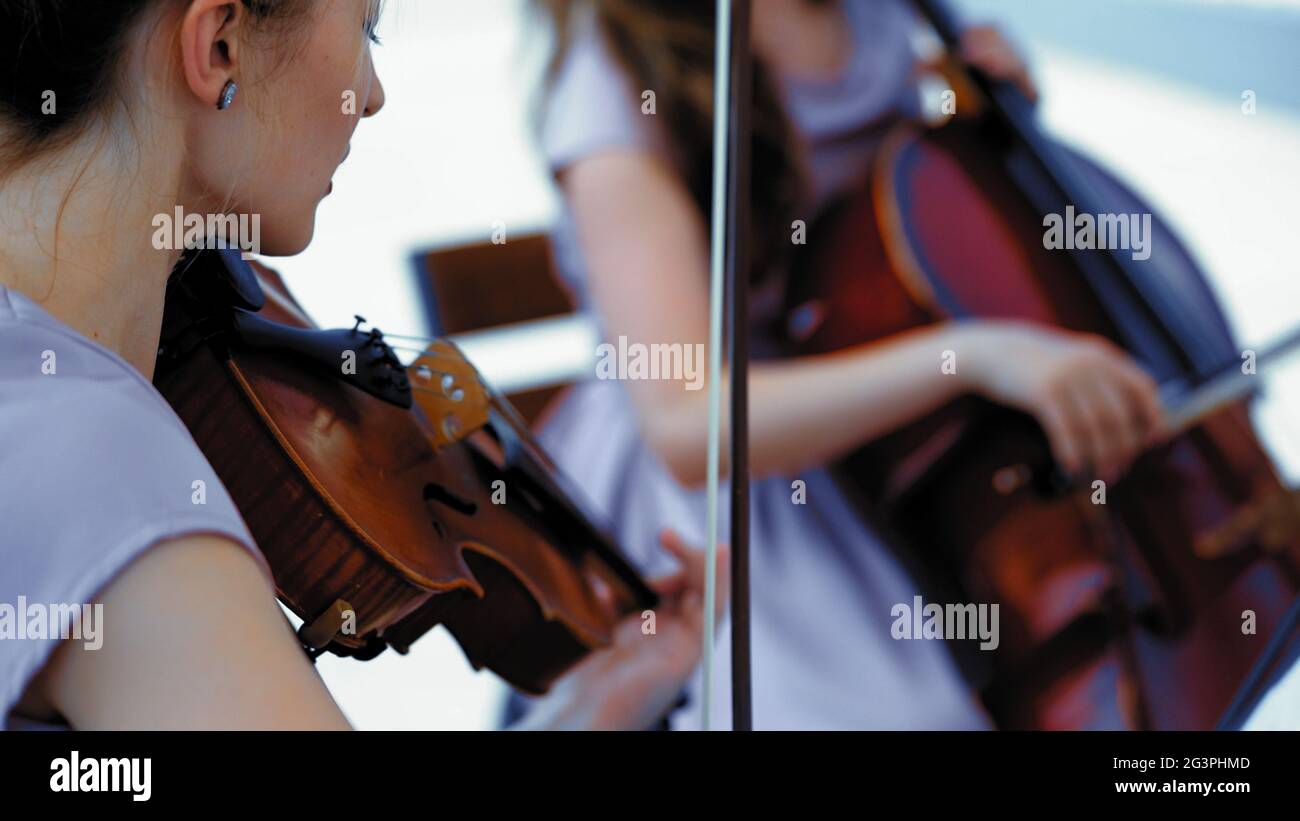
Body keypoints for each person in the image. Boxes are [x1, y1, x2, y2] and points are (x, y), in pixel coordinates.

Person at [0, 0, 716, 731]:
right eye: (366, 26)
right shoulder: (110, 474)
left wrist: (589, 712)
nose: (372, 95)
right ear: (219, 46)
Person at [531, 0, 1167, 729]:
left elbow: (879, 238)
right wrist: (972, 356)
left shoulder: (882, 14)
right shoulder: (612, 82)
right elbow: (685, 419)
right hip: (730, 486)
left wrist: (978, 134)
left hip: (887, 430)